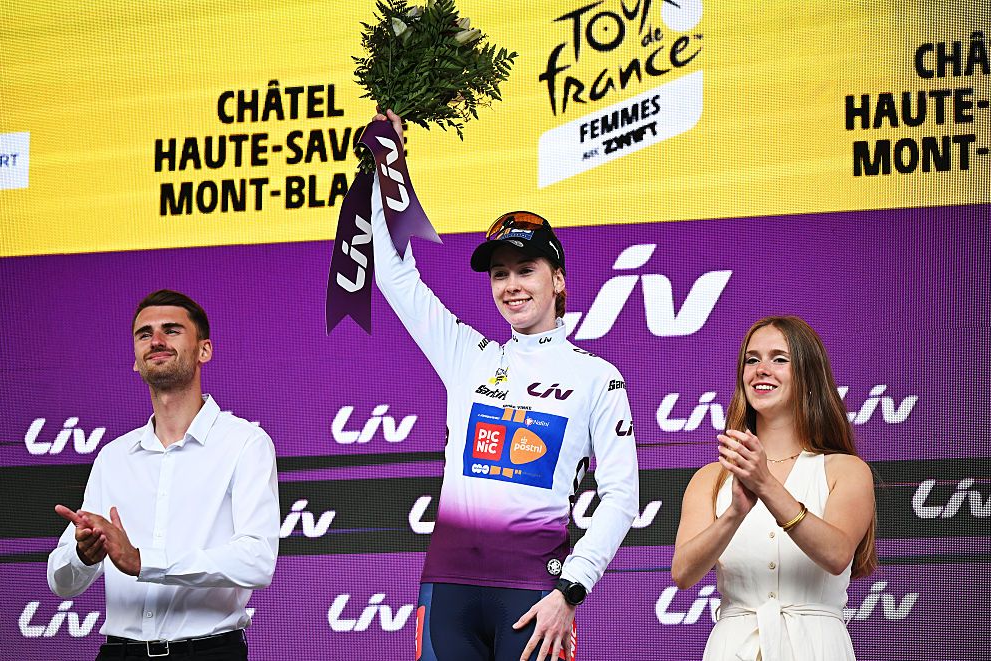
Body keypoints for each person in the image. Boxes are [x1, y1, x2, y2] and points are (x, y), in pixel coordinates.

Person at [369, 111, 639, 661]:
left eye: (526, 269)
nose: (511, 286)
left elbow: (621, 496)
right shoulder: (469, 356)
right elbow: (394, 275)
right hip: (447, 593)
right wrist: (384, 169)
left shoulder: (597, 377)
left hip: (535, 596)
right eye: (499, 273)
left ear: (558, 279)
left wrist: (572, 590)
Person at [47, 289, 280, 660]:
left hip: (209, 654)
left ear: (204, 350)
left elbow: (257, 560)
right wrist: (82, 555)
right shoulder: (114, 457)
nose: (156, 341)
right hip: (120, 654)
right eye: (144, 334)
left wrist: (143, 561)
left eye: (171, 330)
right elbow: (61, 583)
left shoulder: (244, 444)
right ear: (137, 361)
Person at [671, 315, 877, 660]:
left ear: (809, 378)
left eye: (779, 359)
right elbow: (683, 573)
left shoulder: (846, 469)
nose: (761, 370)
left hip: (817, 647)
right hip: (731, 647)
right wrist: (735, 512)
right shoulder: (710, 478)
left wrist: (765, 484)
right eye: (752, 360)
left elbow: (837, 554)